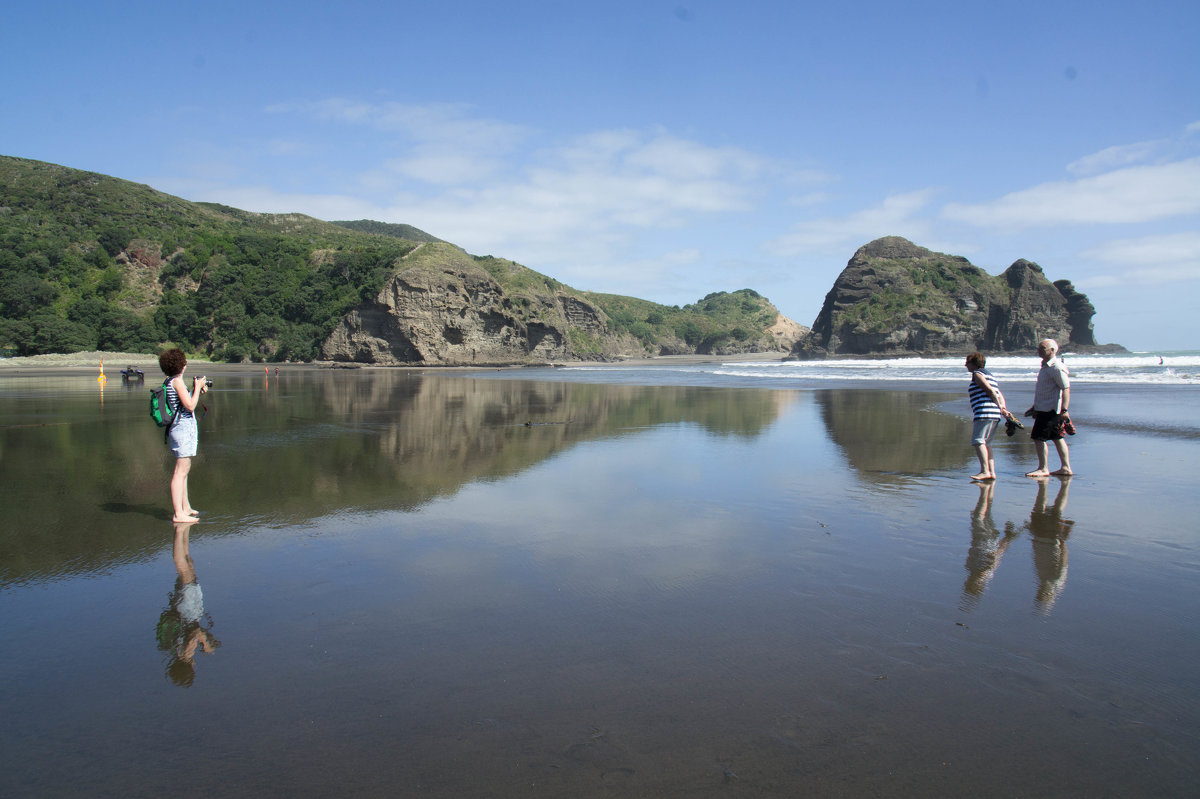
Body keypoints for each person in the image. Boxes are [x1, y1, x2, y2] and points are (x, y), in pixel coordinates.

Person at [158, 348, 208, 523]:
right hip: (182, 429)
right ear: (181, 364)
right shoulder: (177, 382)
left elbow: (185, 402)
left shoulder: (170, 381)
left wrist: (197, 390)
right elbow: (190, 406)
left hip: (180, 428)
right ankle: (178, 513)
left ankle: (185, 507)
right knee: (180, 471)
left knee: (184, 470)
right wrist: (197, 388)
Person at [1025, 339, 1073, 477]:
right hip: (1044, 408)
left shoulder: (1056, 367)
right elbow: (1045, 390)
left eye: (1043, 348)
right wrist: (1035, 407)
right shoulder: (1046, 367)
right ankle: (1065, 467)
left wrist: (1064, 410)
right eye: (1039, 348)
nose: (1039, 350)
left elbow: (1066, 388)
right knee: (1057, 437)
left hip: (1051, 410)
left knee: (1038, 437)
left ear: (1052, 350)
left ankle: (1043, 468)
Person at [965, 351, 1008, 481]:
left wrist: (999, 406)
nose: (966, 365)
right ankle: (991, 472)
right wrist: (1003, 408)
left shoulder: (977, 374)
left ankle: (985, 471)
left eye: (967, 363)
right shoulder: (991, 375)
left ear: (974, 364)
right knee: (987, 443)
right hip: (994, 413)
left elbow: (990, 390)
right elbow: (999, 393)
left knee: (978, 441)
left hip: (984, 412)